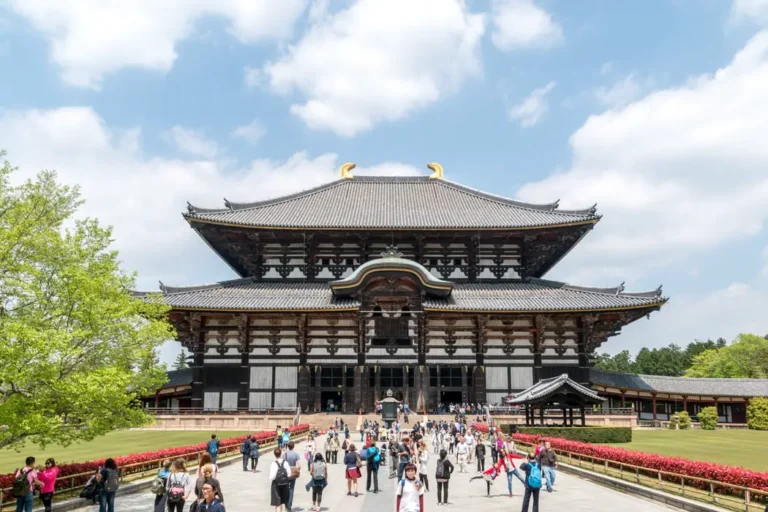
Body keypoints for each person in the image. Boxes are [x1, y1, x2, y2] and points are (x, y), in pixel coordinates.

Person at [281, 441, 301, 512]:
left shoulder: (284, 454)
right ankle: (289, 506)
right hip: (293, 474)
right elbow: (299, 465)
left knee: (285, 489)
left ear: (287, 446)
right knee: (291, 489)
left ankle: (286, 504)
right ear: (293, 446)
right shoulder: (296, 454)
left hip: (286, 473)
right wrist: (297, 470)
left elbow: (281, 464)